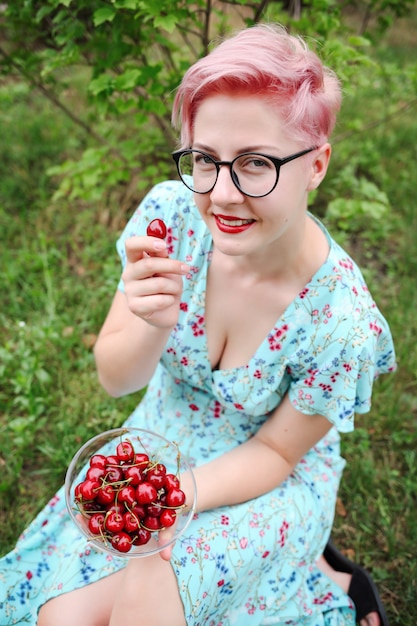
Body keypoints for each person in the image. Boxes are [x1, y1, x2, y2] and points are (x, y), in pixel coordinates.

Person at [0, 23, 396, 626]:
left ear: (316, 166)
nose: (223, 194)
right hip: (163, 435)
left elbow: (275, 451)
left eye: (256, 164)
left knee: (142, 608)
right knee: (63, 619)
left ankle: (313, 568)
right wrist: (152, 322)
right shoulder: (171, 218)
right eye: (205, 159)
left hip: (263, 476)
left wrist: (173, 497)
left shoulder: (342, 322)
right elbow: (115, 379)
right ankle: (314, 571)